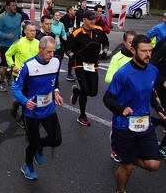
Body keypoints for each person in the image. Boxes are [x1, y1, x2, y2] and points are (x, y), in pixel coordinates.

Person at [103, 34, 165, 193]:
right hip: (124, 125)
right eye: (143, 51)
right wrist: (120, 109)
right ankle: (120, 190)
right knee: (127, 167)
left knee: (154, 164)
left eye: (150, 51)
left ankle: (126, 155)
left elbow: (149, 91)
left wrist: (158, 108)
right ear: (133, 50)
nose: (148, 55)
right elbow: (108, 98)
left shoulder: (153, 71)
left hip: (144, 124)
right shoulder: (123, 73)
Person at [11, 36, 63, 180]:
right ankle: (27, 165)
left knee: (56, 140)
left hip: (48, 108)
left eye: (53, 51)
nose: (52, 55)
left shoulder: (56, 61)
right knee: (32, 142)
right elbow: (15, 87)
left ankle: (39, 146)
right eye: (48, 52)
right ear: (40, 49)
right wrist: (24, 101)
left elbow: (55, 79)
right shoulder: (28, 65)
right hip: (31, 111)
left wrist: (56, 92)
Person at [68, 10, 109, 126]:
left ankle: (77, 92)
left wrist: (105, 51)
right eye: (90, 19)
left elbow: (105, 41)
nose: (92, 21)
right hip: (80, 63)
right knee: (85, 90)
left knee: (93, 92)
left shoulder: (99, 30)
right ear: (84, 20)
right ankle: (82, 115)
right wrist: (72, 55)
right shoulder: (76, 33)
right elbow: (68, 48)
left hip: (93, 64)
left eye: (93, 19)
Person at [104, 30, 137, 163]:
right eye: (130, 42)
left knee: (134, 124)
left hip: (135, 98)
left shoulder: (138, 56)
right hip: (120, 99)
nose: (133, 45)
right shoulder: (118, 57)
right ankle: (115, 149)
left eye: (135, 42)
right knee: (119, 125)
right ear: (124, 42)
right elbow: (108, 78)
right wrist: (126, 82)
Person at [6, 23, 39, 129]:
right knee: (26, 96)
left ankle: (17, 104)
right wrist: (12, 66)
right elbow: (8, 54)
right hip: (20, 75)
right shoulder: (18, 43)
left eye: (34, 31)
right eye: (30, 31)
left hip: (34, 75)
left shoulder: (38, 43)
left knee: (31, 97)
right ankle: (23, 120)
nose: (33, 33)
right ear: (25, 31)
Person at [0, 0, 21, 92]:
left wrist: (20, 35)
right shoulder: (2, 18)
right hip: (5, 45)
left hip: (16, 45)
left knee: (15, 65)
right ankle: (1, 82)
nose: (15, 7)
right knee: (5, 66)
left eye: (15, 5)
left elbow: (18, 27)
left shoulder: (18, 16)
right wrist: (6, 35)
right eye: (12, 5)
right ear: (7, 7)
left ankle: (9, 75)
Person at [60, 5, 77, 82]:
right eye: (74, 10)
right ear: (69, 11)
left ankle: (69, 74)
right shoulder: (64, 19)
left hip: (70, 40)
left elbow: (72, 28)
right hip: (62, 41)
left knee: (71, 56)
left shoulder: (73, 18)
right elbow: (61, 30)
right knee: (60, 57)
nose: (75, 11)